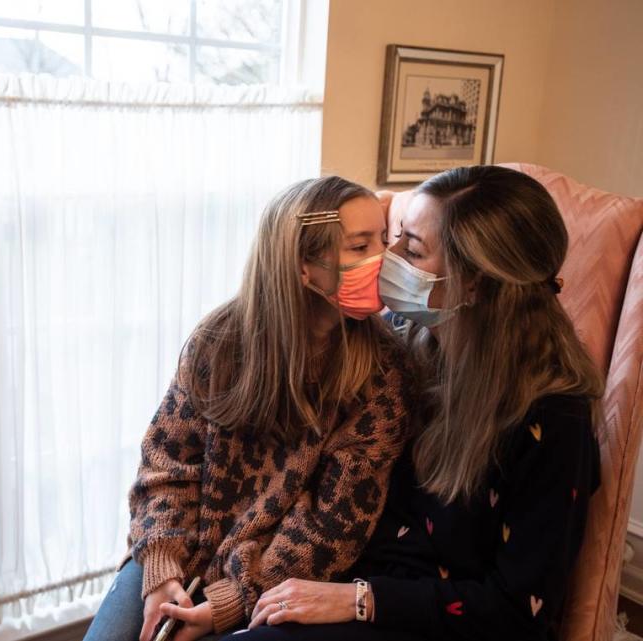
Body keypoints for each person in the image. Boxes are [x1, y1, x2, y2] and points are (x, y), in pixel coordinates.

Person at [234, 165, 602, 641]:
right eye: (395, 239)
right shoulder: (405, 344)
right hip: (345, 581)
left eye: (412, 250)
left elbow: (520, 611)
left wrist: (361, 600)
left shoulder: (553, 419)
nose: (387, 261)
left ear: (474, 284)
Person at [81, 176, 417, 641]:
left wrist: (228, 603)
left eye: (383, 240)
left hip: (272, 583)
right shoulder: (218, 343)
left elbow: (334, 527)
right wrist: (161, 572)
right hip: (175, 553)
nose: (383, 260)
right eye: (361, 247)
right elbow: (166, 463)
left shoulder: (385, 372)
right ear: (303, 266)